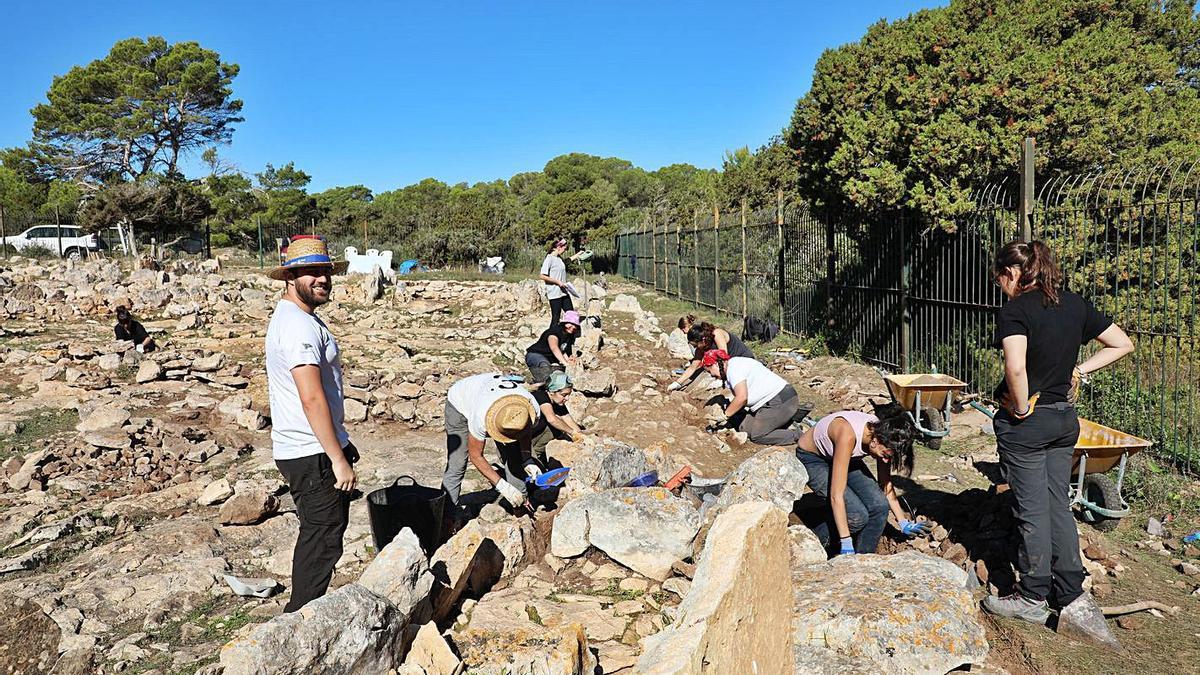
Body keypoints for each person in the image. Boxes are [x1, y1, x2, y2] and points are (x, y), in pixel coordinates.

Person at [982, 241, 1133, 627]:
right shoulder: (1075, 304)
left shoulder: (1016, 309)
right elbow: (1122, 343)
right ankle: (1069, 590)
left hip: (1028, 424)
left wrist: (1017, 408)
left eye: (1000, 278)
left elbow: (1015, 369)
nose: (1001, 286)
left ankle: (1032, 595)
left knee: (1031, 510)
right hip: (1065, 420)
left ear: (1013, 273)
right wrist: (1080, 371)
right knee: (1057, 505)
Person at [263, 237, 357, 613]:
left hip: (308, 448)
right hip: (312, 451)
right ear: (290, 277)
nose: (322, 278)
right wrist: (337, 457)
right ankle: (300, 619)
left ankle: (304, 612)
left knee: (320, 535)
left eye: (326, 271)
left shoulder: (298, 318)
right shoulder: (299, 327)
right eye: (312, 272)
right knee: (322, 541)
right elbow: (311, 397)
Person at [796, 404, 928, 555]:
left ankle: (864, 557)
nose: (885, 461)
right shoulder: (848, 435)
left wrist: (903, 521)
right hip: (814, 458)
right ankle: (810, 544)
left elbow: (885, 485)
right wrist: (846, 542)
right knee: (856, 515)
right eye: (885, 456)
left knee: (880, 506)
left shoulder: (886, 436)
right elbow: (836, 495)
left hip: (846, 456)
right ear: (875, 441)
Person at [443, 372, 541, 513]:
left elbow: (524, 431)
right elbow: (475, 456)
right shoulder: (480, 417)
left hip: (494, 396)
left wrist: (527, 459)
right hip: (460, 403)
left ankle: (521, 504)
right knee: (457, 464)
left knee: (514, 454)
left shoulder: (529, 409)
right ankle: (446, 514)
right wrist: (502, 485)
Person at [496, 371, 585, 500]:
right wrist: (573, 433)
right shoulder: (540, 396)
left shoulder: (558, 403)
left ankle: (536, 465)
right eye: (563, 395)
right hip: (514, 435)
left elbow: (570, 422)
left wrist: (582, 437)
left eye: (568, 395)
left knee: (557, 431)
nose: (566, 399)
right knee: (521, 468)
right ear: (552, 391)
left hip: (530, 436)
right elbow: (551, 419)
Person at [702, 349, 809, 445]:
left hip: (780, 400)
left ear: (715, 364)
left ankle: (799, 434)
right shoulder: (733, 365)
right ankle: (786, 421)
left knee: (758, 435)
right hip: (769, 404)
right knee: (744, 427)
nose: (712, 376)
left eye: (709, 371)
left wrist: (725, 415)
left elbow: (742, 398)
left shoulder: (733, 369)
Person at [667, 320, 755, 391]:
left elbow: (723, 357)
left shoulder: (717, 334)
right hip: (730, 365)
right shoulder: (701, 347)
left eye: (695, 345)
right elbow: (692, 367)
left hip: (743, 359)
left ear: (702, 340)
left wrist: (722, 379)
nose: (695, 347)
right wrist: (678, 383)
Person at [525, 311, 580, 384]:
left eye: (575, 325)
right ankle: (539, 384)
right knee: (545, 366)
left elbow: (562, 350)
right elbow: (554, 348)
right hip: (535, 354)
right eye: (570, 324)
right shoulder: (554, 332)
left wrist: (568, 362)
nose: (573, 327)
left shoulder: (568, 335)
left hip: (550, 359)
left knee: (558, 370)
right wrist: (565, 363)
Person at [539, 238, 573, 326]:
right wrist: (557, 282)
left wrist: (579, 254)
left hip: (564, 292)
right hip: (554, 293)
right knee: (556, 318)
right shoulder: (549, 258)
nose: (564, 251)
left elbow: (567, 261)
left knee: (571, 315)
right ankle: (551, 336)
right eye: (564, 249)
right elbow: (542, 275)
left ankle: (569, 336)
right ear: (558, 247)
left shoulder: (559, 258)